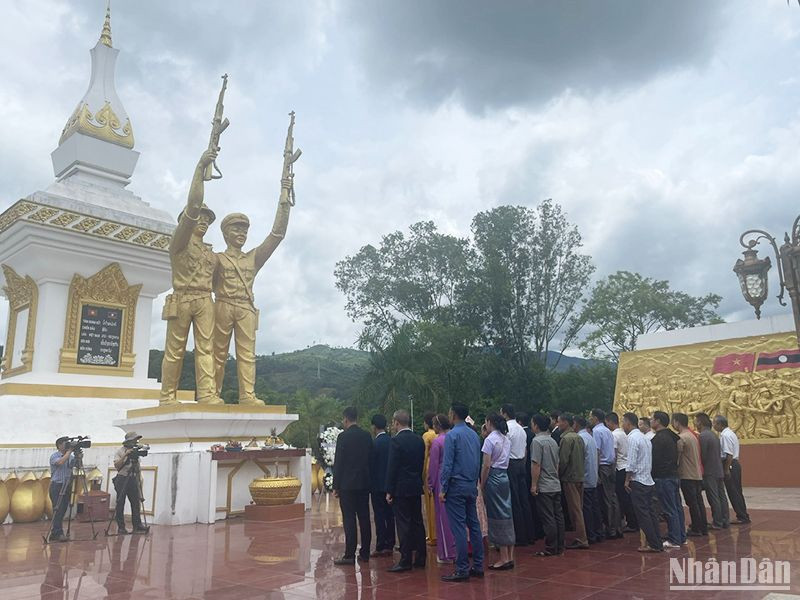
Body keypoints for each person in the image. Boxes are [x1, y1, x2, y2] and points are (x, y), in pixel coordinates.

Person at [159, 149, 222, 405]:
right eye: (200, 218)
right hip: (183, 298)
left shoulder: (211, 253)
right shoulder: (179, 243)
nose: (204, 222)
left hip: (205, 299)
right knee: (175, 351)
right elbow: (194, 207)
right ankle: (167, 396)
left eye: (208, 220)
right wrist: (200, 169)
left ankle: (206, 393)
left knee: (206, 348)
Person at [439, 403, 484, 582]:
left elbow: (448, 464)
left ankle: (462, 568)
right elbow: (477, 461)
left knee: (458, 527)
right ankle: (478, 565)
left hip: (456, 485)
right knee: (474, 525)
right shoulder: (474, 434)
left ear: (454, 414)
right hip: (471, 485)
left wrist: (444, 488)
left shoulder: (452, 435)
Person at [386, 409, 427, 572]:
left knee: (403, 523)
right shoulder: (418, 440)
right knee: (417, 521)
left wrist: (389, 490)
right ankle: (421, 557)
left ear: (397, 422)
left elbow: (392, 467)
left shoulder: (395, 441)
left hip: (401, 487)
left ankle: (405, 559)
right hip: (415, 485)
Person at [332, 406, 373, 565]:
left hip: (347, 485)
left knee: (349, 518)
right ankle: (365, 553)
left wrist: (336, 485)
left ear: (346, 419)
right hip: (363, 483)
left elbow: (339, 462)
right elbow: (371, 459)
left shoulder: (343, 437)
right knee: (364, 518)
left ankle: (349, 554)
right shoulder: (366, 436)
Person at [622, 412, 663, 553]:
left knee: (643, 514)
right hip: (648, 480)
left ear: (628, 422)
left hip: (638, 480)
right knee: (651, 513)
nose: (623, 426)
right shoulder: (645, 437)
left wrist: (627, 479)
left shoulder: (633, 438)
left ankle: (653, 544)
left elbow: (631, 462)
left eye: (623, 422)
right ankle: (657, 541)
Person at [481, 414, 515, 570]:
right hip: (504, 477)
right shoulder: (506, 439)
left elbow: (486, 465)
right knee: (507, 513)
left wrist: (482, 483)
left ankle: (502, 557)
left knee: (496, 515)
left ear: (490, 423)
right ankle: (509, 555)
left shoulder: (490, 440)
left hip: (494, 477)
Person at [531, 413, 565, 556]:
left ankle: (551, 547)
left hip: (544, 485)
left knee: (548, 517)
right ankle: (560, 545)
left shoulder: (537, 442)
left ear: (536, 426)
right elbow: (557, 463)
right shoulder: (552, 441)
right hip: (555, 483)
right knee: (558, 516)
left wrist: (534, 484)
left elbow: (536, 464)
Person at [500, 404, 534, 546]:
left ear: (505, 413)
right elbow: (525, 450)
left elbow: (504, 449)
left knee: (514, 501)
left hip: (512, 464)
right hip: (521, 463)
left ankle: (520, 536)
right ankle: (529, 533)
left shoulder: (507, 429)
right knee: (524, 500)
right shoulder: (521, 429)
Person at [651, 411, 685, 548]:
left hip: (663, 477)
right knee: (677, 507)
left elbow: (655, 460)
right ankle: (681, 536)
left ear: (658, 421)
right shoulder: (673, 436)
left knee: (670, 509)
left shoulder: (658, 439)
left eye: (652, 419)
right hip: (673, 474)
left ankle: (674, 539)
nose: (650, 421)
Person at [673, 412, 708, 537]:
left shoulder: (682, 438)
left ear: (677, 422)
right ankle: (702, 526)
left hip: (687, 474)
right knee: (698, 502)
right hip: (696, 473)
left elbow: (677, 457)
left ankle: (697, 528)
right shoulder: (693, 435)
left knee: (692, 503)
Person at [427, 414, 456, 563]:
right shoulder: (453, 438)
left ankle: (446, 552)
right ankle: (457, 549)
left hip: (440, 478)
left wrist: (430, 483)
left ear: (437, 426)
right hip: (455, 479)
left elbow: (433, 466)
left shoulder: (437, 442)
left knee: (442, 515)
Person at [557, 413, 588, 549]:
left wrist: (558, 475)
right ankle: (581, 536)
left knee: (575, 510)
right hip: (580, 476)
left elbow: (563, 461)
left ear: (565, 423)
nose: (557, 424)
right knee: (578, 507)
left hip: (570, 477)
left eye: (559, 422)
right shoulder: (578, 437)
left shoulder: (566, 439)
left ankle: (581, 538)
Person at [695, 412, 730, 530]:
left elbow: (702, 456)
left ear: (700, 422)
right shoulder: (713, 435)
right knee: (721, 496)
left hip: (710, 471)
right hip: (718, 469)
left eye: (696, 421)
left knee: (713, 497)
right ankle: (725, 519)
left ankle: (717, 522)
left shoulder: (703, 436)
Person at [590, 408, 621, 539]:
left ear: (596, 418)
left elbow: (596, 452)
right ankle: (616, 526)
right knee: (613, 498)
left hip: (602, 466)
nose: (589, 419)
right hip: (610, 465)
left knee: (606, 499)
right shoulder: (608, 431)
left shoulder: (597, 431)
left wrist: (595, 471)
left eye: (591, 417)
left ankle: (610, 528)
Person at [714, 415, 750, 524]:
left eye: (715, 423)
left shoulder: (725, 435)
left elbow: (728, 454)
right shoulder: (730, 433)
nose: (713, 425)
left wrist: (726, 469)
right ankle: (743, 515)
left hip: (730, 464)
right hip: (734, 464)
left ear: (720, 424)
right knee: (737, 491)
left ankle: (742, 516)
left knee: (733, 492)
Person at [113, 432, 149, 534]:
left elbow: (138, 469)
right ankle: (121, 527)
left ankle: (137, 525)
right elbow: (117, 466)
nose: (135, 442)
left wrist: (140, 487)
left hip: (133, 478)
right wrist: (126, 455)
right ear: (128, 441)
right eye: (133, 440)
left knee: (135, 502)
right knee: (120, 502)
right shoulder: (120, 451)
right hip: (122, 478)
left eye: (136, 440)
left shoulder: (136, 452)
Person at [575, 416, 604, 544]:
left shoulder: (580, 438)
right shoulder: (590, 437)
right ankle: (598, 532)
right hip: (592, 476)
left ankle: (590, 534)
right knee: (594, 506)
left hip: (585, 477)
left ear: (575, 424)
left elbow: (580, 460)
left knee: (586, 507)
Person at [607, 412, 637, 533]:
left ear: (609, 422)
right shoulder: (624, 434)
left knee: (621, 497)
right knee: (627, 497)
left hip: (619, 468)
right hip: (626, 467)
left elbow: (613, 455)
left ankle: (628, 522)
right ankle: (632, 521)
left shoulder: (614, 435)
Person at [370, 414, 395, 555]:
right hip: (389, 484)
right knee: (390, 515)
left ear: (374, 426)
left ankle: (381, 544)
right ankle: (390, 543)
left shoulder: (374, 444)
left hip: (377, 485)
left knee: (379, 515)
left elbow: (371, 465)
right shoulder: (392, 441)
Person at [48, 437, 76, 542]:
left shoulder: (71, 456)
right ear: (59, 445)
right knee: (57, 509)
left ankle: (56, 532)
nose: (68, 445)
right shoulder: (54, 456)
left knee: (63, 509)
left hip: (67, 485)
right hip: (57, 485)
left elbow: (76, 466)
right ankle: (58, 533)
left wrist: (78, 457)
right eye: (66, 444)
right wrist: (69, 452)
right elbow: (60, 463)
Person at [422, 412, 438, 548]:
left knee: (429, 503)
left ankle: (432, 535)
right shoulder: (440, 434)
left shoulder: (427, 435)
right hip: (439, 468)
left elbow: (425, 456)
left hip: (429, 469)